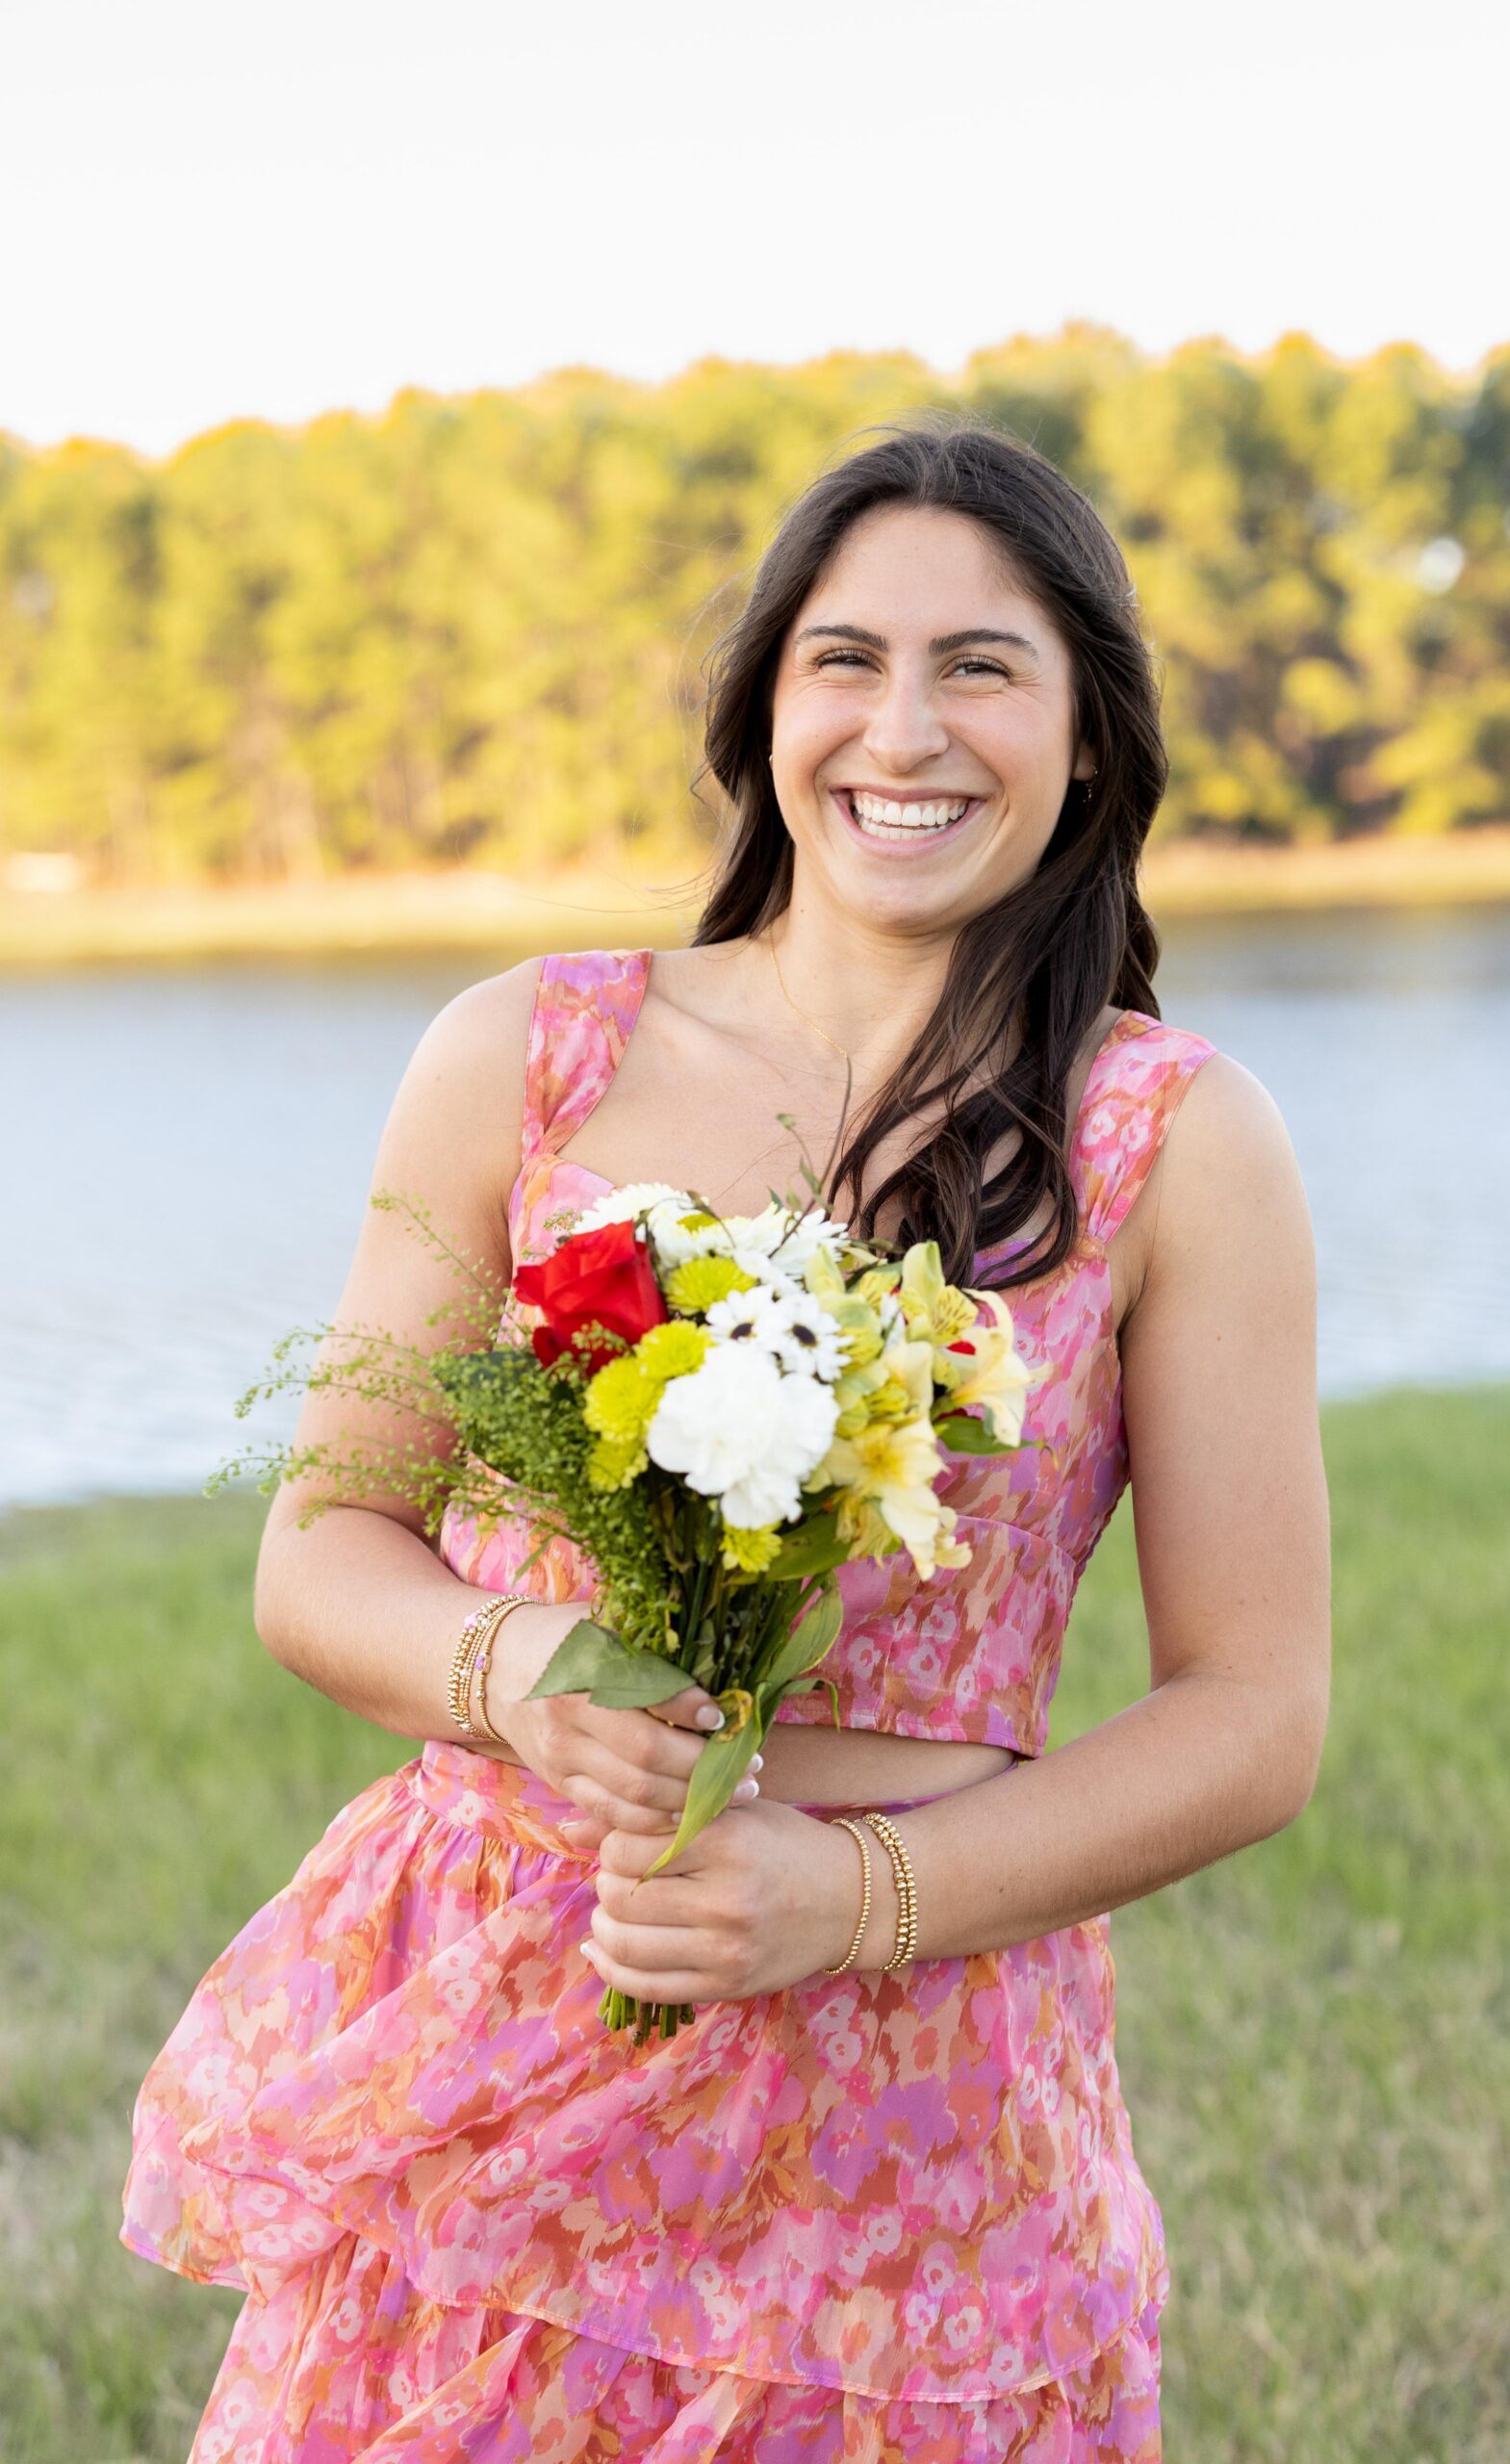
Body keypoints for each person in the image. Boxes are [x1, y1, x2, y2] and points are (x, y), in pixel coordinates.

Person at [120, 421, 1331, 2461]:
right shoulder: (532, 1052)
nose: (905, 727)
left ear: (1088, 737)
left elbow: (1250, 1711)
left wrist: (849, 1902)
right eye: (844, 659)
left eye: (982, 666)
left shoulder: (1172, 1139)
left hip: (916, 2072)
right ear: (763, 705)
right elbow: (326, 1546)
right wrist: (522, 1671)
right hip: (520, 1987)